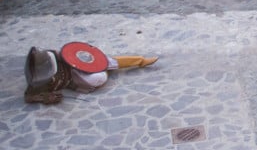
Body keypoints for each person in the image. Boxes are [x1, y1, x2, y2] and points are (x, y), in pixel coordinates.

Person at [23, 42, 157, 104]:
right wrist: (46, 98)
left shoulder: (51, 54)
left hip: (73, 64)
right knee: (98, 77)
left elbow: (68, 53)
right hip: (74, 80)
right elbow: (28, 97)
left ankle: (141, 61)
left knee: (106, 62)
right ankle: (105, 70)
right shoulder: (37, 81)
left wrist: (80, 60)